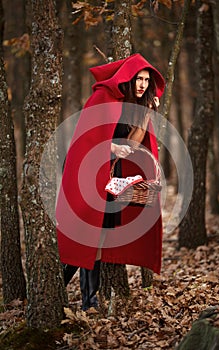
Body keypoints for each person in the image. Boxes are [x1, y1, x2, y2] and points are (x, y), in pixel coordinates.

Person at [56, 53, 165, 311]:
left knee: (100, 238)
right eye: (138, 79)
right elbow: (86, 140)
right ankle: (76, 297)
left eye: (147, 80)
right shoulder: (103, 98)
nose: (142, 85)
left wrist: (147, 114)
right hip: (89, 176)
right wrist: (113, 147)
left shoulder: (133, 106)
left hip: (111, 178)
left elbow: (134, 145)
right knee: (88, 237)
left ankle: (83, 300)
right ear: (127, 79)